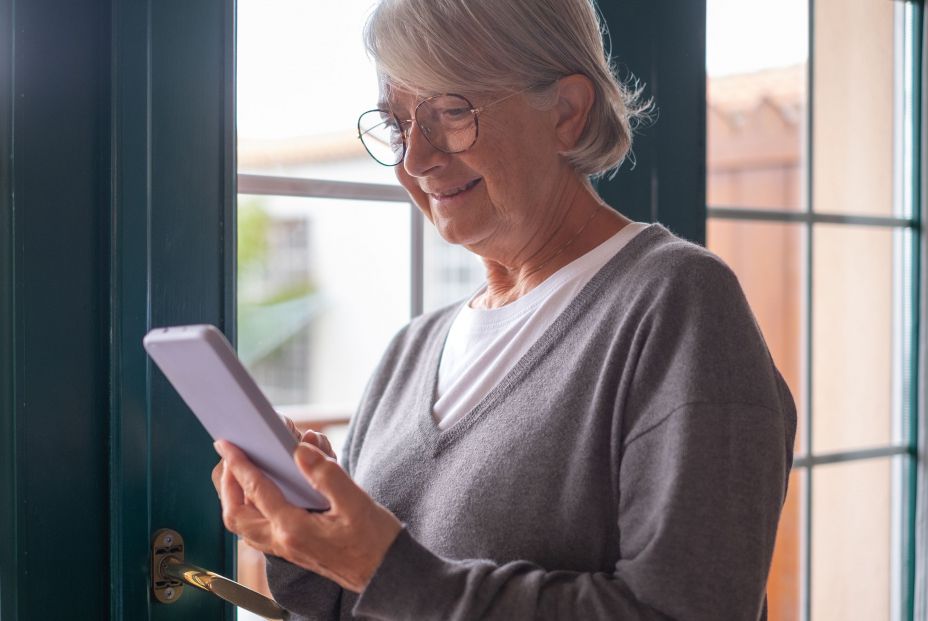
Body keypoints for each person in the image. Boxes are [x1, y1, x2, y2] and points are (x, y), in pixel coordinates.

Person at [212, 0, 797, 618]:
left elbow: (687, 612)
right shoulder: (413, 350)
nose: (416, 158)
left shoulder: (677, 303)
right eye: (397, 124)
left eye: (451, 113)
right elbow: (360, 603)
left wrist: (387, 568)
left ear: (567, 114)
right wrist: (305, 541)